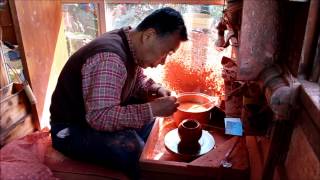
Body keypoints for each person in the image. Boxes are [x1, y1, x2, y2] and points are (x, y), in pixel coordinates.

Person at [49, 7, 188, 179]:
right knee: (133, 147)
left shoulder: (130, 43)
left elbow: (136, 80)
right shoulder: (110, 58)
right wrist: (152, 109)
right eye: (166, 53)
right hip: (71, 129)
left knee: (155, 125)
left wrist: (156, 89)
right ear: (148, 36)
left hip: (91, 117)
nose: (164, 61)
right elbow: (100, 117)